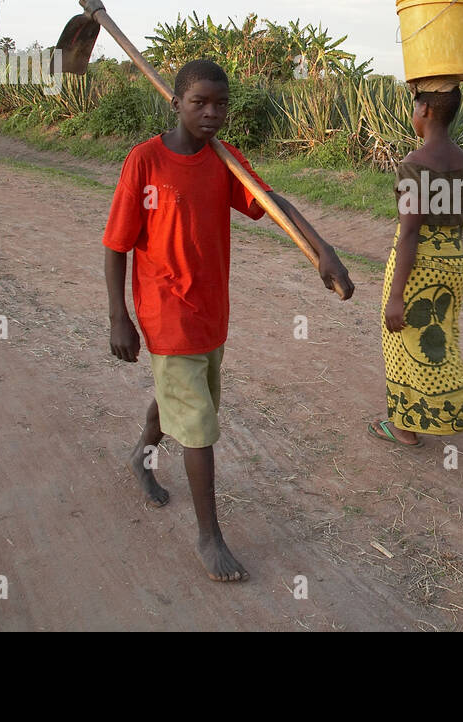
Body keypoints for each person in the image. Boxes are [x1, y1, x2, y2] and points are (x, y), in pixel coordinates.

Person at [103, 59, 353, 582]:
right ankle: (209, 537)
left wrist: (322, 249)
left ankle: (141, 456)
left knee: (184, 398)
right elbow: (116, 244)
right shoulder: (144, 162)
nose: (212, 113)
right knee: (197, 424)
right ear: (176, 103)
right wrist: (117, 317)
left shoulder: (225, 161)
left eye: (221, 104)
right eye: (200, 103)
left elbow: (270, 201)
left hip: (211, 311)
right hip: (164, 311)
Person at [368, 75, 463, 468]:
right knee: (431, 343)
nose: (412, 112)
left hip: (418, 268)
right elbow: (461, 220)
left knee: (423, 349)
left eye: (415, 105)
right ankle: (405, 425)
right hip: (452, 260)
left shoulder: (414, 164)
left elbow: (411, 233)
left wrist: (397, 294)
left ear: (425, 110)